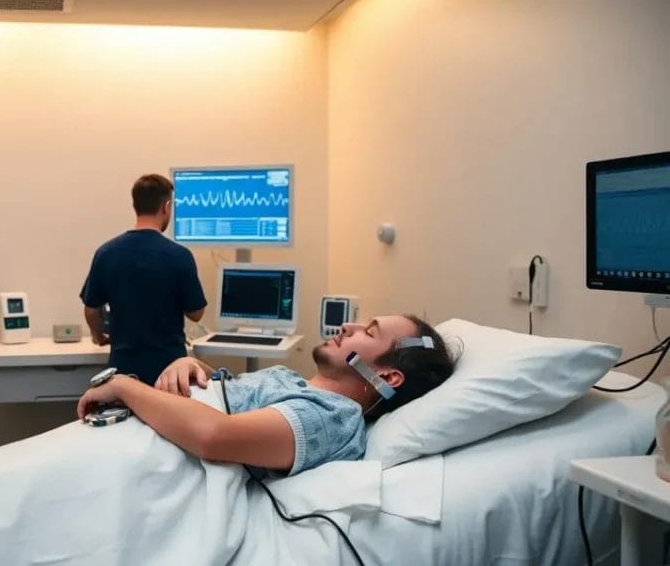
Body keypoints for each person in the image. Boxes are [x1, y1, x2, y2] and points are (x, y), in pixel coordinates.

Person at [78, 314, 455, 476]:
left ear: (387, 376)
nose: (347, 326)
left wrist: (126, 386)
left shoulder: (333, 417)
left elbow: (216, 436)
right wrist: (191, 369)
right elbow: (233, 402)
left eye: (368, 333)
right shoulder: (293, 382)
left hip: (136, 458)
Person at [80, 173, 207, 385]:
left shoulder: (107, 252)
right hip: (170, 374)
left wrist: (98, 335)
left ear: (135, 205)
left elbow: (91, 309)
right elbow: (196, 314)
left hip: (123, 371)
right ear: (166, 207)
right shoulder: (179, 255)